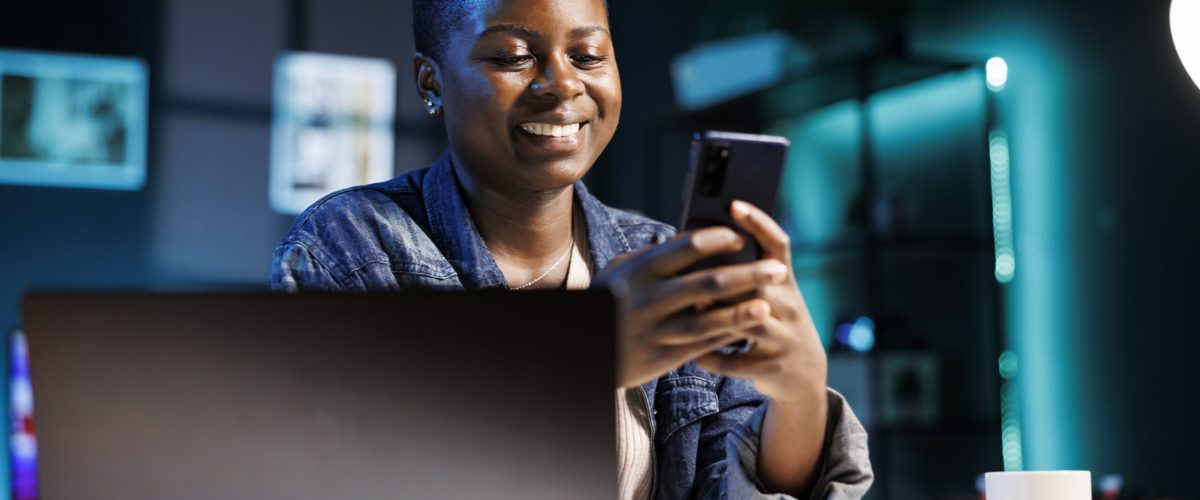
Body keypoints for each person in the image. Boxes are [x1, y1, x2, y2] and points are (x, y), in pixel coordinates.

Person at [269, 0, 873, 498]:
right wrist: (580, 357)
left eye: (587, 56)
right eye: (513, 57)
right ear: (432, 81)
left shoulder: (662, 257)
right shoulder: (348, 247)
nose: (562, 83)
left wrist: (799, 396)